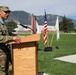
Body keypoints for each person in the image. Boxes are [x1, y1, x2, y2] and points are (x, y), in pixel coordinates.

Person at [0, 6, 21, 75]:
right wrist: (12, 38)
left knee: (10, 71)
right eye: (5, 12)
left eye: (8, 12)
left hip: (6, 52)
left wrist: (17, 36)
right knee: (2, 72)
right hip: (1, 53)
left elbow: (8, 33)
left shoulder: (3, 23)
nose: (7, 14)